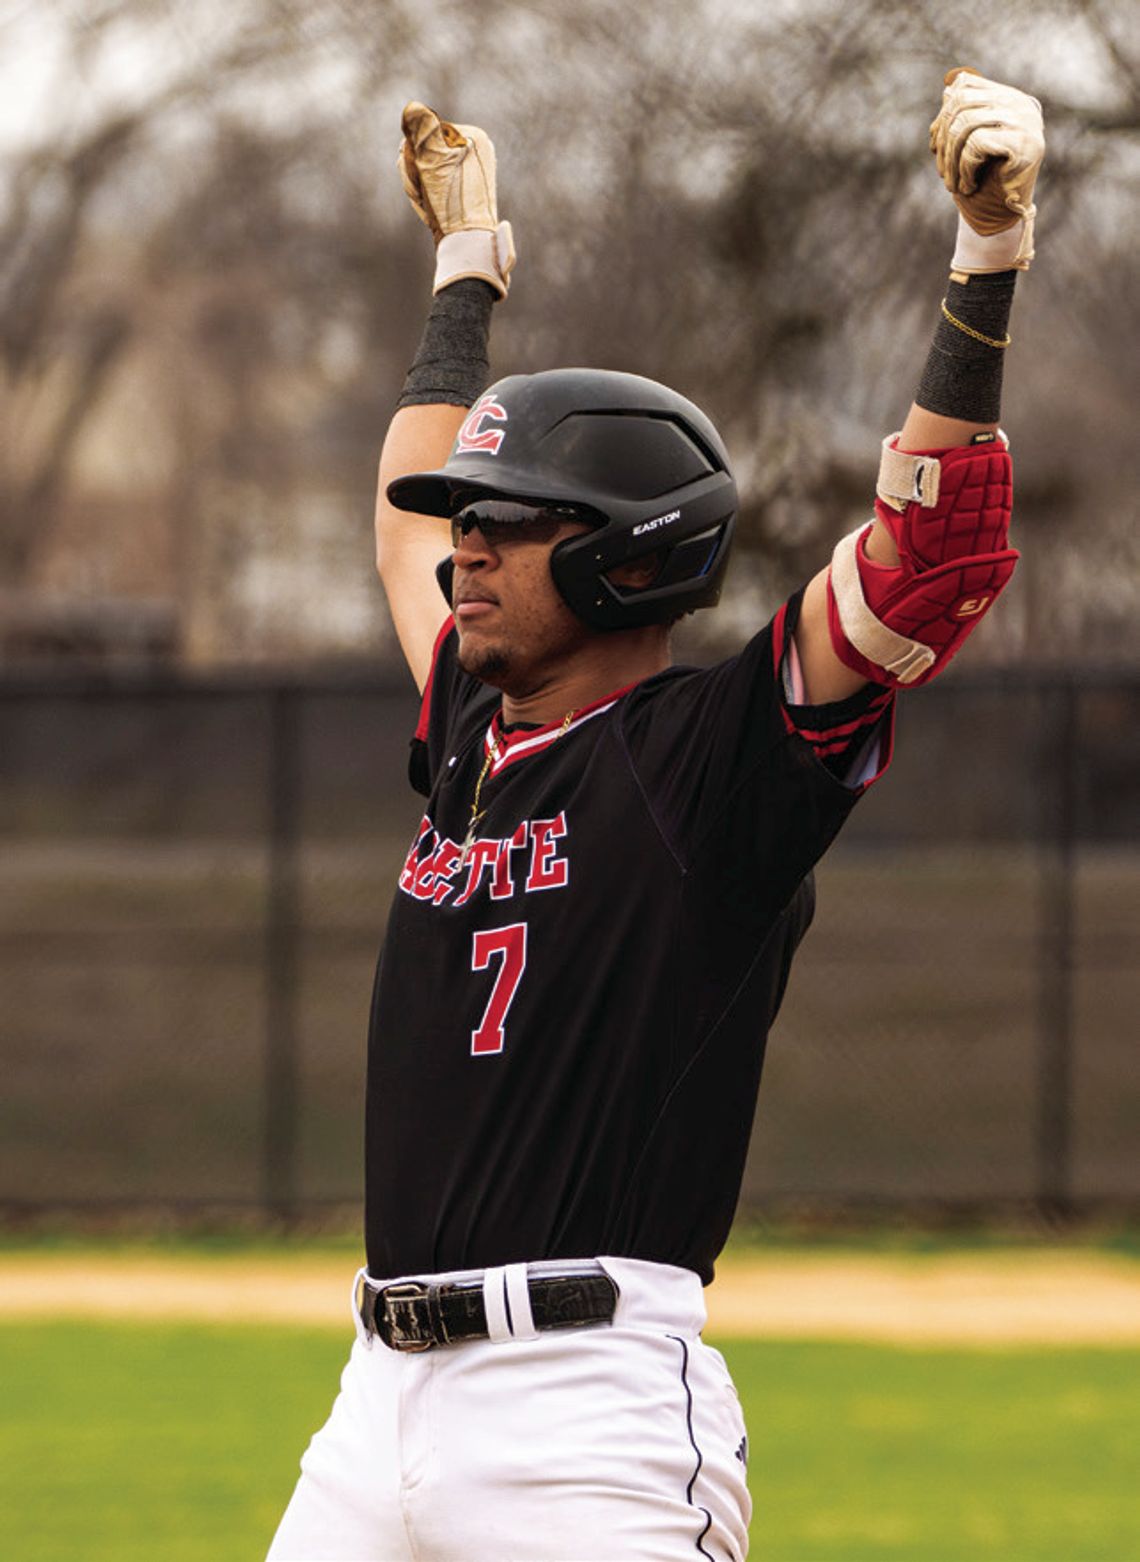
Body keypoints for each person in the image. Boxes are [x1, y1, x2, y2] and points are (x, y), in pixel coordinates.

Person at [267, 67, 1044, 1562]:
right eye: (468, 520)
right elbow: (402, 502)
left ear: (629, 556)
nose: (463, 547)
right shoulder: (471, 731)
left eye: (507, 523)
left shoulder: (713, 760)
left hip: (587, 1409)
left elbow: (921, 560)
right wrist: (463, 279)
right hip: (374, 1407)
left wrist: (985, 264)